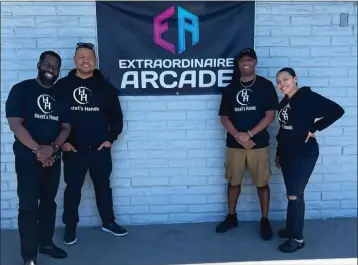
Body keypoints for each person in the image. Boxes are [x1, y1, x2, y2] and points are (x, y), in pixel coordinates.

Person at [56, 42, 127, 246]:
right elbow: (54, 118)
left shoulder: (105, 88)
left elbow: (117, 118)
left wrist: (110, 139)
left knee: (103, 186)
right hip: (73, 149)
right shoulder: (62, 87)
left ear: (95, 61)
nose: (85, 60)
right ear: (74, 60)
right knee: (73, 189)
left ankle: (108, 222)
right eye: (81, 56)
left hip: (99, 149)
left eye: (89, 57)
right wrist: (62, 144)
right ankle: (70, 226)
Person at [5, 51, 71, 265]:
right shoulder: (21, 90)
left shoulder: (62, 95)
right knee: (27, 206)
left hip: (53, 157)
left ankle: (46, 244)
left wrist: (51, 149)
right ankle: (29, 256)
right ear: (38, 65)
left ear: (59, 71)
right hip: (27, 158)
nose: (50, 69)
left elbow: (66, 127)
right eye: (47, 64)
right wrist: (38, 151)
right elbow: (15, 124)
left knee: (49, 203)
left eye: (54, 66)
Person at [275, 67, 345, 253]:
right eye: (279, 81)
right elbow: (283, 130)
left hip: (304, 153)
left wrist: (314, 128)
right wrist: (278, 152)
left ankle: (297, 239)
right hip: (287, 153)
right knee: (294, 193)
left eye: (285, 79)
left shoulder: (308, 97)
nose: (282, 84)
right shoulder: (284, 102)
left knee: (294, 194)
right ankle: (291, 228)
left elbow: (337, 110)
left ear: (295, 79)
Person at [216, 48, 279, 240]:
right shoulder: (230, 88)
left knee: (262, 183)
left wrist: (250, 134)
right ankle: (232, 216)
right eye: (242, 60)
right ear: (238, 64)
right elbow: (224, 118)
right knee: (233, 182)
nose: (246, 62)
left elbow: (270, 115)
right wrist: (239, 136)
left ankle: (265, 220)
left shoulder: (265, 86)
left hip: (258, 144)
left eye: (250, 59)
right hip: (235, 145)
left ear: (255, 62)